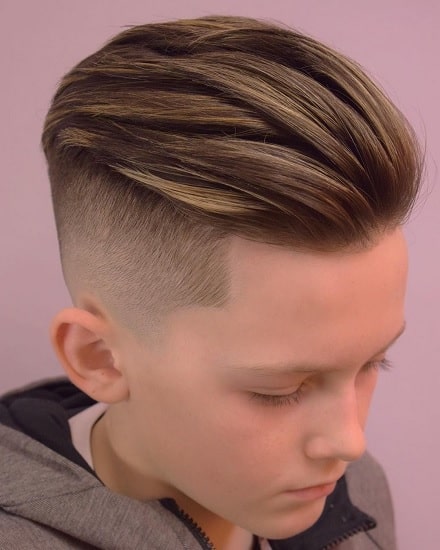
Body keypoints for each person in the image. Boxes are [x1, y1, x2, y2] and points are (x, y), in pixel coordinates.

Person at [0, 14, 423, 550]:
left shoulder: (358, 493)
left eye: (372, 363)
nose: (349, 441)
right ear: (100, 357)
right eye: (279, 391)